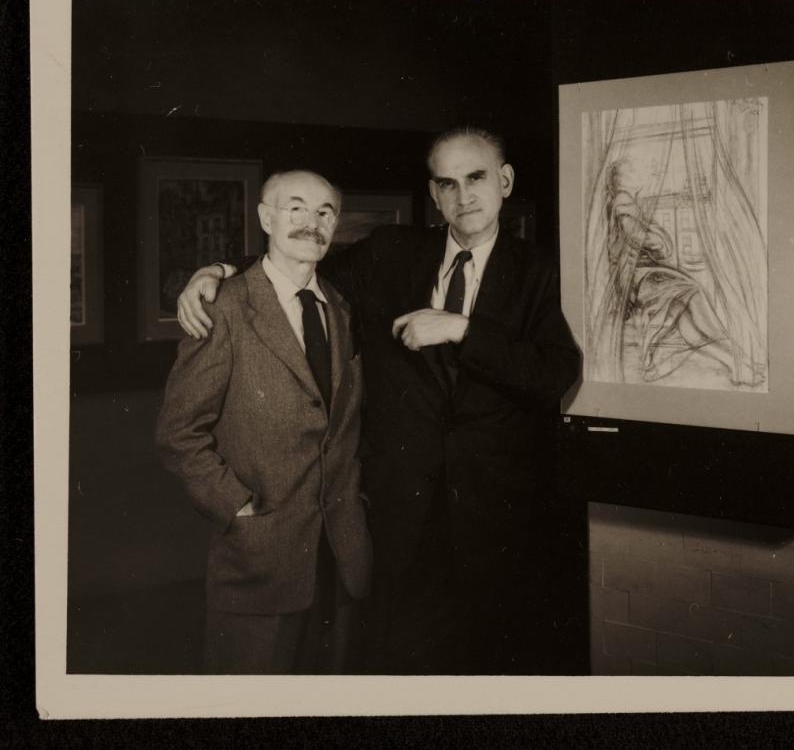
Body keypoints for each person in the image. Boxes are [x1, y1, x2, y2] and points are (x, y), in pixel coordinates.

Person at [176, 127, 581, 674]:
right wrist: (220, 270)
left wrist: (461, 328)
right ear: (434, 195)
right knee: (401, 669)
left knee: (495, 670)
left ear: (505, 181)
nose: (463, 196)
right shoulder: (391, 253)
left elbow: (556, 371)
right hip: (399, 521)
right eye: (447, 183)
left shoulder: (543, 271)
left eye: (477, 178)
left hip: (498, 524)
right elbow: (296, 261)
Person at [156, 170, 371, 674]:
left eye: (325, 212)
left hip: (341, 557)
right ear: (265, 217)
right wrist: (237, 506)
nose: (311, 223)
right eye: (295, 207)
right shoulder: (225, 307)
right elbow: (177, 433)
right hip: (259, 558)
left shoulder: (341, 309)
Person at [603, 156, 745, 383]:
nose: (640, 173)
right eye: (633, 170)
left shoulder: (628, 201)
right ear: (623, 179)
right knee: (693, 290)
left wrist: (658, 242)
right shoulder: (623, 201)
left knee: (686, 323)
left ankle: (734, 364)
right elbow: (637, 236)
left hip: (643, 275)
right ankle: (732, 352)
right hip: (638, 278)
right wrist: (656, 241)